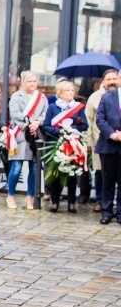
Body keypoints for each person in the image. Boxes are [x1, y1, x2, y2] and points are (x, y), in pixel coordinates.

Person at [43, 80, 88, 214]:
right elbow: (46, 126)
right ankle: (55, 202)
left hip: (72, 144)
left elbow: (85, 125)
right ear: (60, 93)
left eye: (72, 91)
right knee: (56, 175)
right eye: (68, 91)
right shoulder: (52, 107)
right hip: (55, 144)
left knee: (72, 175)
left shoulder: (78, 108)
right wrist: (60, 132)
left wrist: (73, 128)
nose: (71, 93)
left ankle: (71, 203)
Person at [5, 71, 46, 210]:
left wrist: (37, 123)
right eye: (29, 81)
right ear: (23, 82)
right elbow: (15, 114)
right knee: (16, 168)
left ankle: (30, 196)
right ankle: (10, 195)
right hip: (21, 136)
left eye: (34, 81)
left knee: (34, 169)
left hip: (36, 136)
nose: (32, 84)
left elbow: (44, 113)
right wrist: (29, 125)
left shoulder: (41, 97)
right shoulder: (16, 97)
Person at [85, 69, 118, 212]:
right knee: (100, 173)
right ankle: (100, 200)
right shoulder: (95, 97)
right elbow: (90, 121)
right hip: (100, 141)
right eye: (108, 79)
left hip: (118, 142)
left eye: (114, 79)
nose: (111, 82)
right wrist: (88, 142)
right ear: (103, 81)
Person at [93, 84, 121, 224]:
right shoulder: (107, 97)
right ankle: (106, 211)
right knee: (107, 181)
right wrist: (111, 134)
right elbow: (100, 119)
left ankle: (120, 213)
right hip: (108, 145)